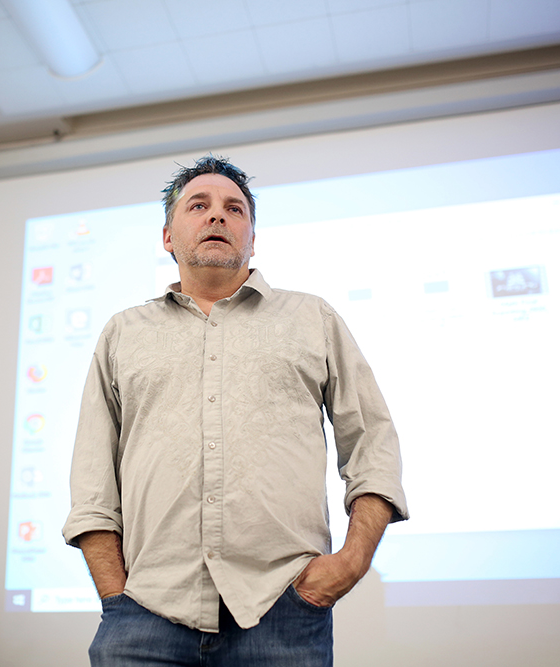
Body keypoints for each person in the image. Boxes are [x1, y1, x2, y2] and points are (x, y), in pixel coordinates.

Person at [62, 156, 408, 666]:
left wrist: (352, 563)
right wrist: (115, 594)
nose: (217, 217)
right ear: (167, 236)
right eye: (198, 205)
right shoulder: (122, 333)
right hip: (145, 614)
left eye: (235, 209)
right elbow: (92, 477)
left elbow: (373, 442)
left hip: (284, 612)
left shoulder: (313, 318)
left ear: (252, 237)